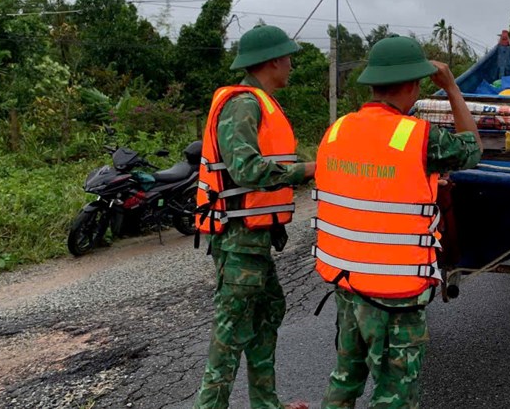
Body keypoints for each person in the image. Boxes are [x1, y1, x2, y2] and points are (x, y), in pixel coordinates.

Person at [313, 36, 481, 409]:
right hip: (395, 296)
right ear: (411, 85)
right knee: (395, 396)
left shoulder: (337, 130)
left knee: (344, 380)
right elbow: (472, 149)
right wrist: (452, 89)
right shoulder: (419, 136)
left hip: (347, 284)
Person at [193, 25, 315, 409]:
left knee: (268, 312)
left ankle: (266, 403)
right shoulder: (243, 104)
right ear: (273, 61)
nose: (291, 65)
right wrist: (309, 171)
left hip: (254, 239)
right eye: (288, 58)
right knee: (229, 333)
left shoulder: (260, 102)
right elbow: (245, 169)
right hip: (238, 239)